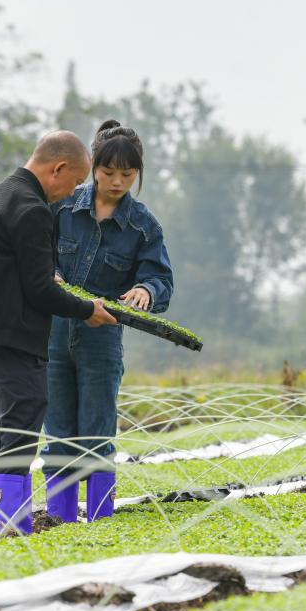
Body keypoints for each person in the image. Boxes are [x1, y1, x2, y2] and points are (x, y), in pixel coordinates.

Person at [0, 131, 117, 539]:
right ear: (58, 169)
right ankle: (8, 528)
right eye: (75, 182)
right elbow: (40, 289)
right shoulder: (33, 210)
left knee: (4, 425)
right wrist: (88, 309)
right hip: (15, 335)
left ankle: (0, 524)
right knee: (21, 422)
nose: (72, 193)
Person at [42, 120, 174, 523]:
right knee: (58, 433)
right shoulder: (61, 207)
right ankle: (60, 519)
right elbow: (35, 253)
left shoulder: (142, 225)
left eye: (128, 175)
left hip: (103, 338)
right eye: (109, 172)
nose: (117, 182)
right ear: (93, 166)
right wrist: (48, 273)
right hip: (53, 334)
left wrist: (146, 291)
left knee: (97, 434)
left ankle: (100, 518)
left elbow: (160, 278)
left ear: (138, 174)